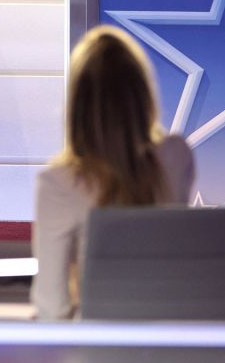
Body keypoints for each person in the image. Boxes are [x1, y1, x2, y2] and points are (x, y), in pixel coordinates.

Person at [30, 25, 196, 320]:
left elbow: (51, 307)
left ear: (78, 106)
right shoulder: (176, 157)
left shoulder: (58, 183)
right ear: (142, 96)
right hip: (165, 344)